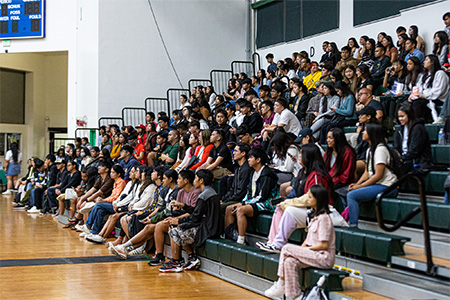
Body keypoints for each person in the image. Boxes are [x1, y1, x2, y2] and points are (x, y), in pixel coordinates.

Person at [257, 144, 333, 253]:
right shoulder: (302, 172)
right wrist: (285, 202)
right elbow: (294, 193)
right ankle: (272, 243)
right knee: (279, 208)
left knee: (289, 210)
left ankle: (278, 245)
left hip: (320, 211)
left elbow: (313, 198)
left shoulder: (317, 175)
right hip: (306, 209)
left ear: (309, 156)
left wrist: (289, 204)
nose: (300, 156)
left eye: (302, 154)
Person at [264, 185, 335, 300]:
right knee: (289, 261)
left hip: (323, 257)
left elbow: (324, 245)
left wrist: (304, 250)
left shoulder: (324, 218)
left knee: (286, 248)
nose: (307, 199)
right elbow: (308, 240)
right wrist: (300, 251)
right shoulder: (313, 216)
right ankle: (295, 295)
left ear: (318, 199)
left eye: (310, 197)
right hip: (313, 254)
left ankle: (281, 282)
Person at [158, 169, 221, 272]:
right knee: (181, 226)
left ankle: (176, 262)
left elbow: (195, 217)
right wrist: (183, 206)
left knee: (174, 229)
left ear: (201, 181)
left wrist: (178, 221)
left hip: (207, 229)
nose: (194, 181)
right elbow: (196, 212)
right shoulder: (210, 191)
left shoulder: (203, 195)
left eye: (196, 178)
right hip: (211, 226)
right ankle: (192, 258)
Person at [347, 123, 398, 227]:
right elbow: (367, 171)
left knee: (351, 195)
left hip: (387, 185)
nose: (363, 132)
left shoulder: (380, 150)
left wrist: (360, 187)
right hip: (378, 184)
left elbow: (378, 175)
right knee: (349, 190)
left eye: (365, 130)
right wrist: (357, 184)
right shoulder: (370, 149)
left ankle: (353, 226)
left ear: (372, 133)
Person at [224, 147, 279, 245]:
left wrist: (244, 204)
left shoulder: (266, 174)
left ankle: (241, 240)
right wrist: (243, 202)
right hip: (254, 201)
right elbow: (249, 191)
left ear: (258, 160)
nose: (248, 159)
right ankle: (230, 236)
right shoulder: (253, 172)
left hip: (267, 203)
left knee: (241, 210)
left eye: (251, 157)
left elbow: (262, 196)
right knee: (229, 208)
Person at [85, 165, 127, 243]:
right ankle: (95, 233)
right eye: (111, 172)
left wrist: (103, 200)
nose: (111, 174)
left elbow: (116, 197)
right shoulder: (115, 182)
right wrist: (104, 200)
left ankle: (88, 225)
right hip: (112, 203)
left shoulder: (121, 182)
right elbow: (112, 196)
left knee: (98, 205)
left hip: (117, 205)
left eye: (113, 172)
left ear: (119, 174)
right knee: (100, 211)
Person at [409, 54, 450, 122]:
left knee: (418, 103)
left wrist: (424, 95)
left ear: (432, 62)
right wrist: (413, 95)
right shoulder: (424, 75)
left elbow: (438, 90)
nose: (424, 62)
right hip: (426, 97)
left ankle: (418, 124)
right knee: (407, 102)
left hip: (438, 99)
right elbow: (418, 87)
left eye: (426, 60)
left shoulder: (440, 74)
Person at [393, 104, 432, 173]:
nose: (400, 119)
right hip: (404, 158)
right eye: (399, 117)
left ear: (409, 115)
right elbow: (396, 147)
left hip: (417, 160)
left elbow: (415, 150)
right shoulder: (400, 129)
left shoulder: (418, 128)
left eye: (402, 116)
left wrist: (402, 158)